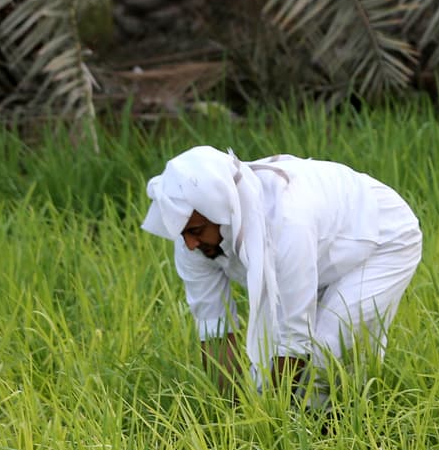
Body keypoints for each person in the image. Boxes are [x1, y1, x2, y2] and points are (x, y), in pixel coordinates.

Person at [141, 146, 423, 403]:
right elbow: (214, 327)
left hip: (383, 238)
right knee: (264, 372)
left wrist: (268, 414)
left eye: (196, 231)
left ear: (222, 212)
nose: (190, 244)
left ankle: (341, 423)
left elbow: (294, 339)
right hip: (320, 250)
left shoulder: (286, 222)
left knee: (328, 347)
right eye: (183, 233)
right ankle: (315, 421)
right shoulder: (190, 237)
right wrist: (232, 407)